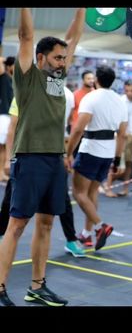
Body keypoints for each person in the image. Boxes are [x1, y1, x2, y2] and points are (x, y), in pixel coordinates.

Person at [0, 7, 86, 307]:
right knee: (17, 224)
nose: (64, 62)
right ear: (41, 58)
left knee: (47, 223)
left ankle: (36, 287)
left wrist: (83, 10)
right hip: (31, 157)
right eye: (58, 58)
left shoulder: (59, 79)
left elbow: (74, 37)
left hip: (55, 159)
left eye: (64, 58)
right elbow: (26, 35)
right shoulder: (27, 76)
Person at [0, 94, 86, 258]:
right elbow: (13, 127)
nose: (61, 66)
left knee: (61, 205)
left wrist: (67, 154)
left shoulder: (65, 94)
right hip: (26, 158)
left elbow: (63, 126)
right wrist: (9, 160)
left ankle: (71, 239)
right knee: (13, 206)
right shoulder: (23, 91)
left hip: (54, 158)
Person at [66, 66, 128, 251]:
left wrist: (68, 153)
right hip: (108, 152)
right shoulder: (120, 101)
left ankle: (101, 227)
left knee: (78, 193)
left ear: (96, 80)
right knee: (92, 193)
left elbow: (78, 129)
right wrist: (117, 160)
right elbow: (123, 134)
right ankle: (86, 235)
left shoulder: (90, 98)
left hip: (90, 150)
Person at [0, 56, 15, 181]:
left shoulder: (12, 80)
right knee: (2, 146)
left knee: (5, 146)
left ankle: (1, 172)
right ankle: (0, 173)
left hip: (9, 115)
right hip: (3, 115)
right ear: (9, 67)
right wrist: (3, 60)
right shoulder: (3, 77)